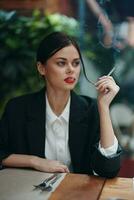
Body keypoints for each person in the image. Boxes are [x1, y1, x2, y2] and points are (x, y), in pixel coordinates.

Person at [0, 32, 122, 177]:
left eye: (76, 63)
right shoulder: (17, 109)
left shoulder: (92, 109)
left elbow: (109, 169)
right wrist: (35, 161)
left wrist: (103, 106)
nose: (71, 69)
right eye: (61, 63)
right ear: (41, 68)